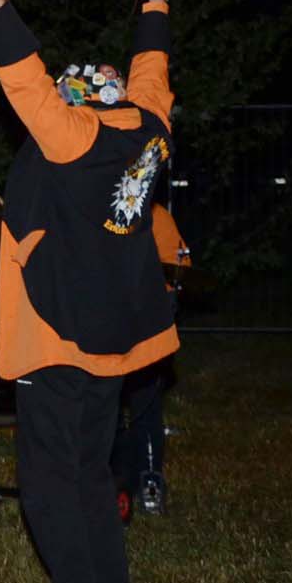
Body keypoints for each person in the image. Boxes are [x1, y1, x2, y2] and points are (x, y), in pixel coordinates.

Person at [0, 0, 178, 583]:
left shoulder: (72, 137)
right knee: (90, 471)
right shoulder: (150, 129)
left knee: (51, 483)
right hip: (114, 337)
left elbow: (23, 77)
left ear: (82, 100)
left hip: (58, 334)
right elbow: (152, 74)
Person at [111, 201, 186, 514]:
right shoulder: (101, 213)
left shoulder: (158, 218)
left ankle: (150, 480)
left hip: (147, 331)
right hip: (107, 331)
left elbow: (180, 269)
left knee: (146, 405)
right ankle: (113, 477)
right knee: (107, 409)